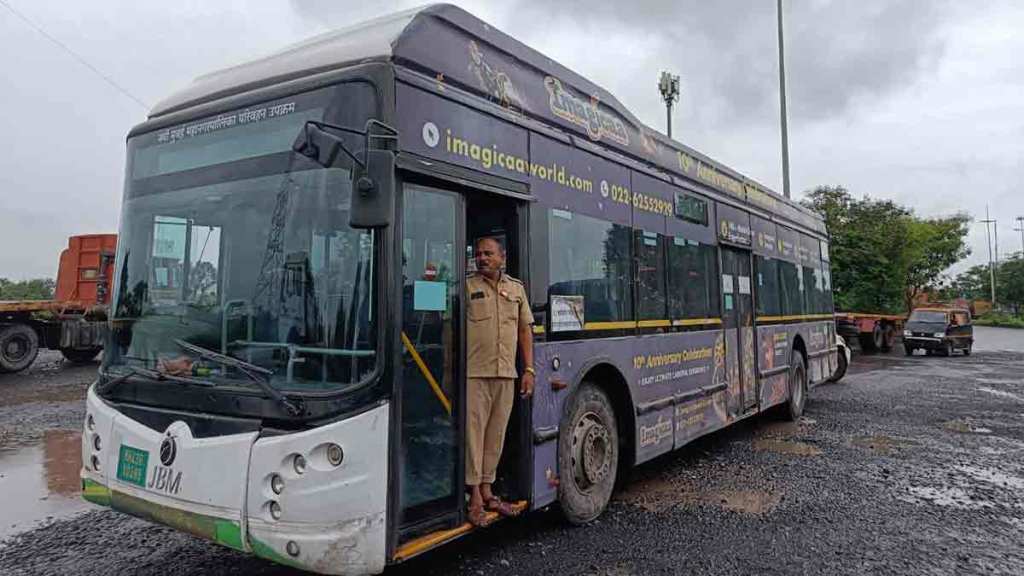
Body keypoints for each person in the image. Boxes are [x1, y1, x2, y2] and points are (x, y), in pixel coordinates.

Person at [465, 236, 534, 526]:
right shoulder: (466, 286)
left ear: (502, 257)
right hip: (474, 374)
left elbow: (524, 331)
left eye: (488, 253)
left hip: (506, 374)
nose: (482, 258)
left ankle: (488, 489)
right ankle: (474, 498)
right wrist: (447, 372)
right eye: (479, 254)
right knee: (473, 436)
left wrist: (529, 370)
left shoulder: (516, 289)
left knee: (495, 436)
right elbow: (449, 332)